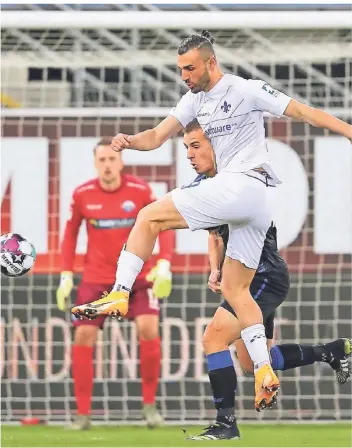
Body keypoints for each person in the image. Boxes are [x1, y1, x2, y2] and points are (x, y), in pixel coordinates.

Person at [71, 30, 352, 413]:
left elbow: (304, 112)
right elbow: (156, 136)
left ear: (210, 62)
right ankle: (265, 369)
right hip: (256, 205)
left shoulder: (245, 89)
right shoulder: (193, 100)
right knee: (237, 291)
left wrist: (349, 131)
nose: (184, 76)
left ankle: (120, 289)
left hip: (242, 185)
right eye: (180, 69)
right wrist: (128, 141)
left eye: (190, 68)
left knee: (148, 217)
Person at [181, 119, 351, 440]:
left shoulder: (238, 181)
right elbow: (216, 235)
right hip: (251, 277)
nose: (189, 155)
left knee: (213, 338)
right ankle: (332, 351)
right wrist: (215, 268)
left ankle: (226, 423)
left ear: (217, 146)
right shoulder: (206, 186)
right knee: (252, 362)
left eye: (196, 145)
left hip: (261, 275)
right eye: (186, 147)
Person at [57, 137, 174, 429]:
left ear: (121, 162)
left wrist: (164, 263)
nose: (107, 165)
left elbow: (165, 223)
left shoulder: (139, 190)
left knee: (148, 328)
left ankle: (149, 408)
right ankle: (82, 415)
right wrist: (65, 274)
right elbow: (70, 234)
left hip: (137, 278)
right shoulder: (82, 194)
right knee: (84, 336)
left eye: (112, 159)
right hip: (96, 280)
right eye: (102, 160)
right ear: (95, 163)